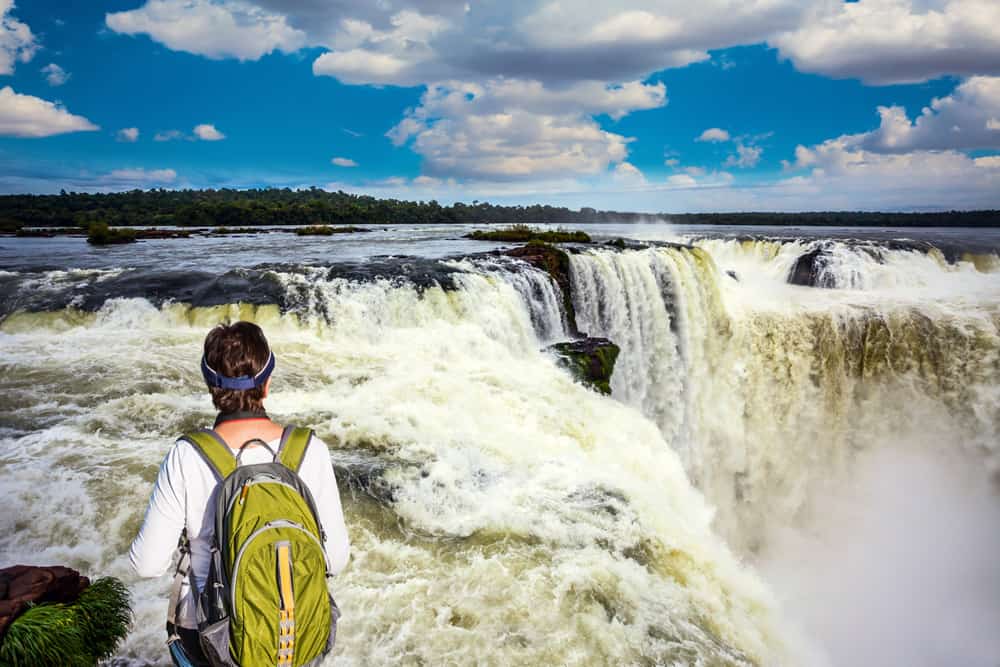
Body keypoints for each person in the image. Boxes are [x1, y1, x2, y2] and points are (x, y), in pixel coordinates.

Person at [129, 321, 350, 666]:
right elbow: (334, 559)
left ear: (210, 385)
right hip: (295, 634)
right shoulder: (310, 450)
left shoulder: (187, 454)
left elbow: (147, 564)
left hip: (212, 639)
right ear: (268, 382)